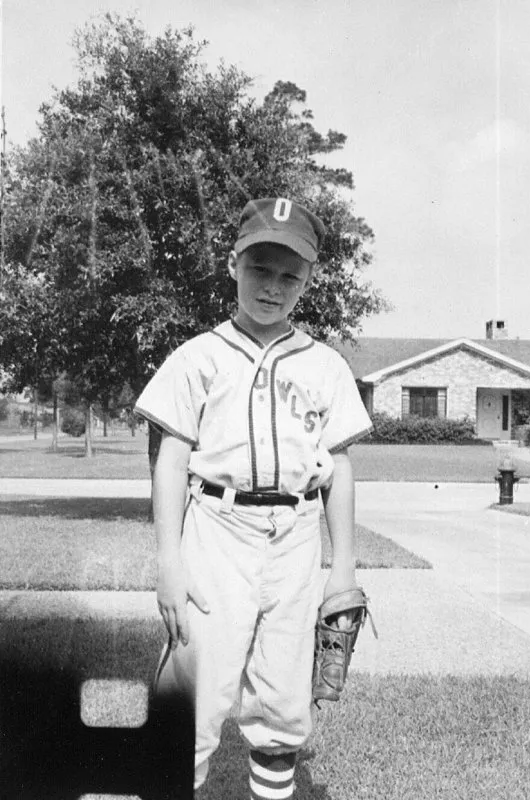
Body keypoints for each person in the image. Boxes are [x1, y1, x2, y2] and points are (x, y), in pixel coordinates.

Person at [134, 197, 372, 798]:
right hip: (217, 529)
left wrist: (342, 566)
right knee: (194, 694)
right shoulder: (200, 356)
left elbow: (339, 467)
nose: (273, 286)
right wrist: (168, 561)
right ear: (232, 264)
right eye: (259, 268)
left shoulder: (325, 365)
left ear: (309, 279)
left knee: (283, 703)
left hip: (296, 535)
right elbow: (171, 460)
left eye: (290, 274)